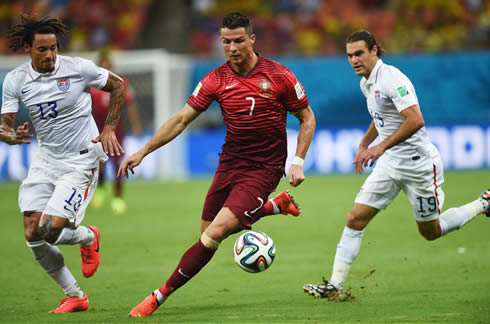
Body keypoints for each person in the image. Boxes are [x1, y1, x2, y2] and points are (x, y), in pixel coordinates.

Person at [118, 12, 316, 317]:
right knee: (207, 233)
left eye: (239, 40)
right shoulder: (215, 79)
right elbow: (182, 119)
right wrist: (143, 151)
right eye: (226, 41)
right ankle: (274, 206)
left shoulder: (279, 75)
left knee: (214, 235)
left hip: (264, 168)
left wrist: (298, 162)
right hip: (230, 163)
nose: (233, 47)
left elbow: (307, 117)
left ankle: (157, 297)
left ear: (252, 40)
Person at [303, 30, 490, 298]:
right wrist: (365, 144)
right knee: (355, 218)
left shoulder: (392, 79)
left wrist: (379, 146)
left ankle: (483, 203)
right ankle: (335, 286)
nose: (354, 60)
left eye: (359, 54)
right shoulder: (366, 83)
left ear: (374, 51)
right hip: (391, 164)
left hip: (419, 166)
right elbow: (379, 116)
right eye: (349, 56)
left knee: (431, 231)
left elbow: (415, 119)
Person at [0, 15, 126, 313]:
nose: (50, 55)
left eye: (53, 48)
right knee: (32, 231)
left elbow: (118, 86)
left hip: (80, 161)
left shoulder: (78, 69)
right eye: (42, 50)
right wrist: (9, 136)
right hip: (45, 160)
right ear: (29, 49)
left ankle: (87, 236)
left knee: (50, 230)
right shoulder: (15, 79)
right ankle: (75, 295)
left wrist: (108, 128)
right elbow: (3, 125)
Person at [90, 48, 142, 214]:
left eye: (108, 65)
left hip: (116, 131)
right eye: (103, 65)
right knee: (99, 164)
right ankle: (100, 188)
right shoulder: (92, 86)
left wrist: (136, 125)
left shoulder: (121, 82)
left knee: (118, 164)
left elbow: (131, 104)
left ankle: (118, 198)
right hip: (97, 130)